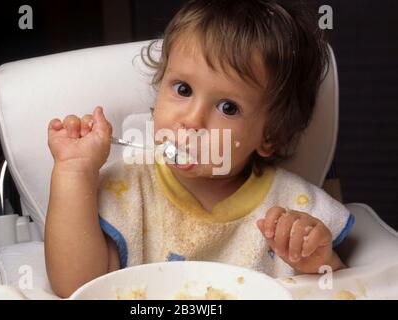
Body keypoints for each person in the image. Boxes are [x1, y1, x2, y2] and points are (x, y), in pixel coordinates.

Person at [44, 0, 354, 298]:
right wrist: (75, 170)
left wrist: (314, 260)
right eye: (183, 89)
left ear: (269, 136)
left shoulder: (290, 205)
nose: (192, 120)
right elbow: (76, 285)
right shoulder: (132, 187)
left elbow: (338, 287)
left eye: (228, 107)